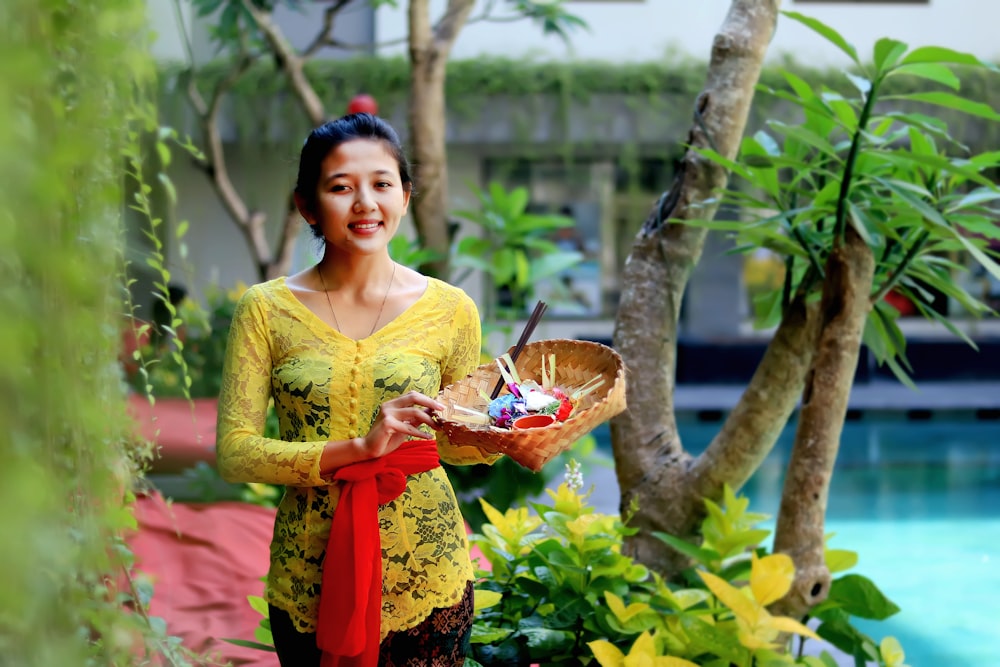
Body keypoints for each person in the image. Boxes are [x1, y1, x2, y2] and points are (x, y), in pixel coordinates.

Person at [216, 112, 500, 667]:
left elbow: (460, 448)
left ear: (405, 196)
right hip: (311, 572)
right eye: (341, 187)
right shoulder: (266, 309)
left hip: (429, 565)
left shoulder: (451, 310)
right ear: (307, 206)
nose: (365, 202)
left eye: (381, 184)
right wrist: (359, 451)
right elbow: (235, 452)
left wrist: (512, 428)